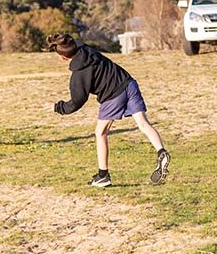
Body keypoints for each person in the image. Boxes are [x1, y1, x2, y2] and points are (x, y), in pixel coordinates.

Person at [46, 33, 170, 188]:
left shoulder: (79, 74)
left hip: (113, 95)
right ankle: (161, 152)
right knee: (143, 124)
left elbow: (77, 101)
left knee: (100, 132)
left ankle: (103, 175)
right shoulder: (87, 49)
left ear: (63, 58)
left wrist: (58, 107)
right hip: (129, 83)